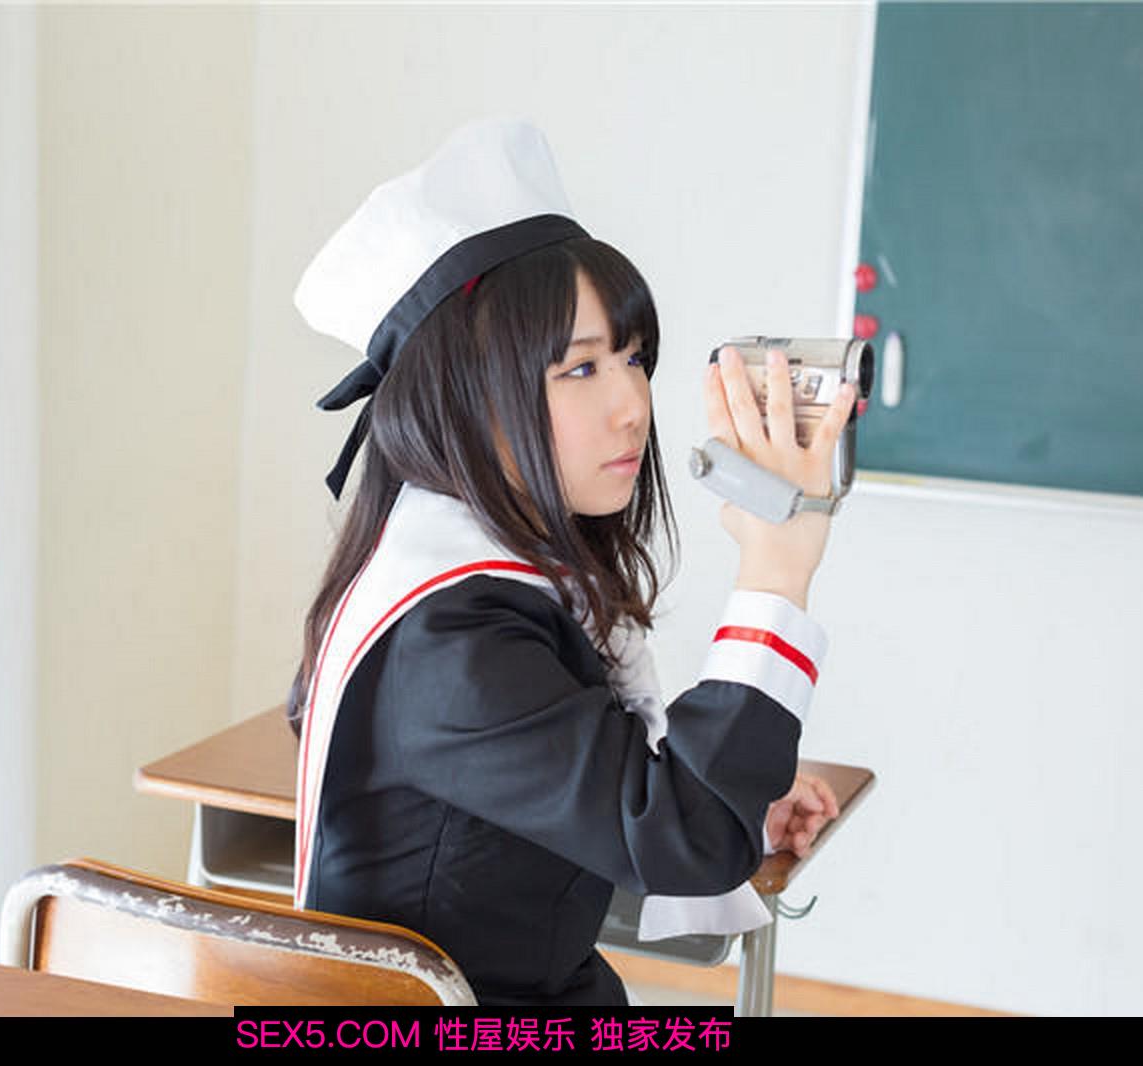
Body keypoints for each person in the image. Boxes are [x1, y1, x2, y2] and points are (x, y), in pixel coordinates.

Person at [287, 118, 852, 1006]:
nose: (633, 406)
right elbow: (687, 838)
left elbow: (604, 796)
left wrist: (725, 791)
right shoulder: (452, 638)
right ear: (466, 398)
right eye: (580, 370)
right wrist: (776, 568)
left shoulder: (456, 576)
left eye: (633, 358)